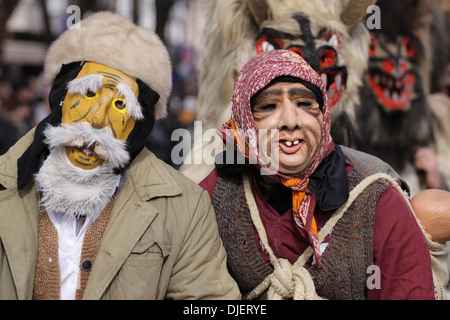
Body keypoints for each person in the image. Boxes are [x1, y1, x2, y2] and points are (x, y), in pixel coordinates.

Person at [0, 12, 240, 300]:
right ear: (60, 98)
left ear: (140, 126)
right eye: (88, 93)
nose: (97, 119)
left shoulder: (185, 209)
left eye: (119, 103)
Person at [200, 49, 446, 300]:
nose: (290, 121)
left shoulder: (376, 197)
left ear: (323, 116)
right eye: (269, 106)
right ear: (244, 121)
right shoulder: (216, 194)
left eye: (305, 104)